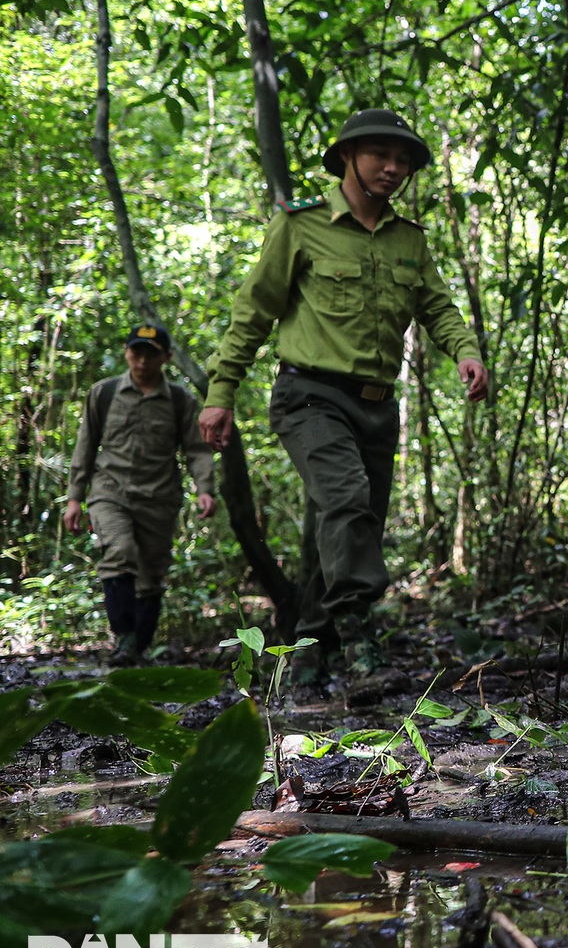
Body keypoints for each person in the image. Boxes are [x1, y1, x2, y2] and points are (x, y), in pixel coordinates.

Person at [199, 109, 488, 680]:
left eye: (403, 158)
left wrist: (467, 352)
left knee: (347, 521)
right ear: (348, 158)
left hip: (378, 406)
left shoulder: (409, 239)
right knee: (348, 501)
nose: (393, 167)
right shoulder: (301, 225)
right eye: (381, 154)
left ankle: (310, 648)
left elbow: (436, 307)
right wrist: (220, 391)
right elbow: (254, 310)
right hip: (309, 395)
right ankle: (360, 643)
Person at [65, 325, 217, 666]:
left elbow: (196, 450)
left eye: (151, 353)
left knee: (151, 574)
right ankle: (124, 637)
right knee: (119, 550)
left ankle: (137, 647)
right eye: (136, 352)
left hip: (159, 498)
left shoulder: (180, 400)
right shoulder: (104, 393)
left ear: (166, 357)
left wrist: (205, 489)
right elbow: (86, 445)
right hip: (110, 492)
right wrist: (75, 497)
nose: (143, 360)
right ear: (126, 352)